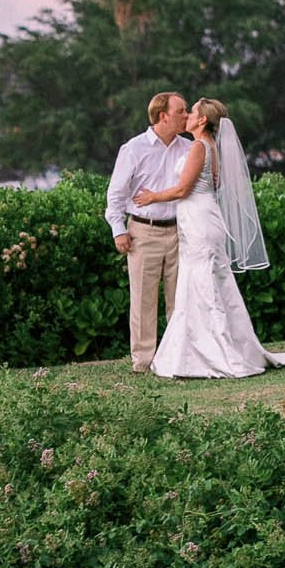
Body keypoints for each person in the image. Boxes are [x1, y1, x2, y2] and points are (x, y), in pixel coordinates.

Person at [133, 99, 285, 380]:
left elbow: (183, 189)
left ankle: (220, 353)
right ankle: (194, 352)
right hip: (200, 218)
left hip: (199, 220)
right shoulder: (209, 146)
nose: (186, 116)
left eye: (191, 113)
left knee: (203, 284)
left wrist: (152, 197)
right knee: (200, 283)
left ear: (201, 121)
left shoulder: (200, 146)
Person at [106, 91, 189, 372]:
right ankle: (143, 361)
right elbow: (116, 195)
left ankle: (177, 357)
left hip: (180, 232)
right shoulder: (133, 149)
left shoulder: (188, 148)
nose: (186, 116)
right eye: (181, 111)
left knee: (180, 298)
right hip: (143, 231)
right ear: (162, 115)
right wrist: (119, 230)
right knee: (143, 300)